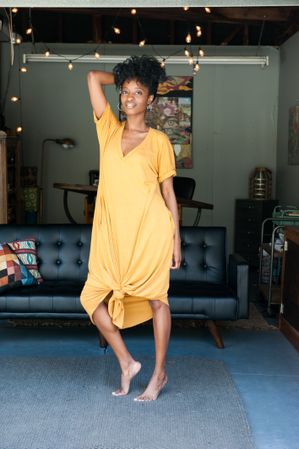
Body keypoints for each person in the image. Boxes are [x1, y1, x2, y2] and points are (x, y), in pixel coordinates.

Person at [80, 55, 181, 402]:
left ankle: (159, 373)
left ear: (150, 98)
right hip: (112, 236)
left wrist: (176, 241)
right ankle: (126, 362)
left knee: (157, 301)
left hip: (151, 233)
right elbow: (93, 77)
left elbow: (169, 194)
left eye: (138, 92)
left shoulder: (159, 143)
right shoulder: (107, 128)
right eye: (125, 91)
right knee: (91, 298)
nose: (129, 98)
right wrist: (127, 75)